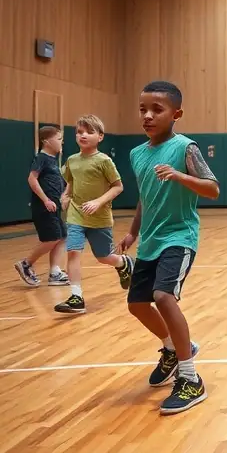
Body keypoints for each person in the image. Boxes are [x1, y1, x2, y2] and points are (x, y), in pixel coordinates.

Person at [116, 80, 219, 415]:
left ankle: (191, 379)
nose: (147, 115)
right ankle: (174, 348)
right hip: (150, 240)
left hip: (180, 236)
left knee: (163, 296)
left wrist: (180, 176)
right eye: (143, 109)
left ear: (176, 113)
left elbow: (213, 189)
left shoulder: (185, 148)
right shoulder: (136, 153)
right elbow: (146, 198)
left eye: (156, 109)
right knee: (137, 304)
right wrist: (133, 232)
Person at [53, 114, 134, 315]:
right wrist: (65, 196)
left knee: (104, 257)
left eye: (89, 132)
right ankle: (76, 297)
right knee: (73, 252)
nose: (83, 135)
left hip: (100, 218)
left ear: (100, 136)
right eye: (80, 132)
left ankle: (124, 262)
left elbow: (118, 187)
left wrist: (98, 202)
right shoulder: (72, 161)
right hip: (76, 216)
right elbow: (70, 182)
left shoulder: (104, 161)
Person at [15, 125, 69, 288]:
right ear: (47, 141)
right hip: (44, 207)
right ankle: (26, 263)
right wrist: (46, 200)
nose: (62, 143)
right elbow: (32, 179)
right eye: (59, 139)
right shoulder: (42, 158)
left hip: (54, 207)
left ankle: (54, 272)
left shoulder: (53, 160)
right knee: (52, 238)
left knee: (61, 236)